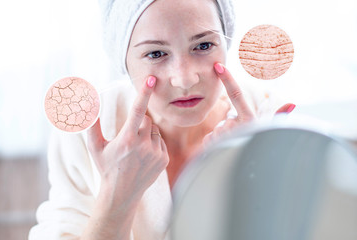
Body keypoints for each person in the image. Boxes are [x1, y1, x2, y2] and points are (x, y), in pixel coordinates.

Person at [29, 0, 294, 239]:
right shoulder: (89, 129)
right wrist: (116, 196)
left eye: (203, 45)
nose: (185, 79)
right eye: (156, 54)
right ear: (125, 62)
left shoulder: (267, 120)